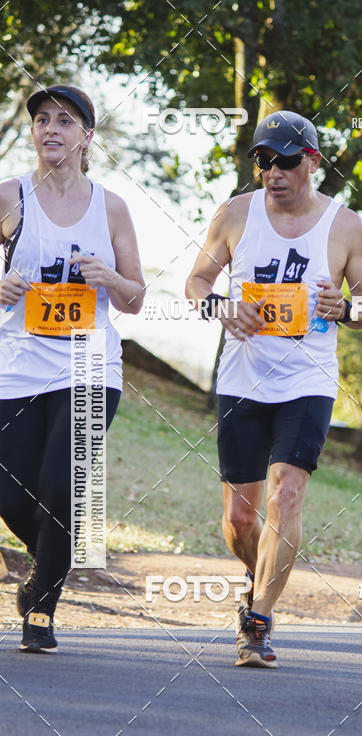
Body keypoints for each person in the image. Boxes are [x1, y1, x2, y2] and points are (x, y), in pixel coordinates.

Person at [185, 110, 362, 668]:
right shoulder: (234, 215)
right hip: (243, 378)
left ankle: (259, 621)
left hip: (307, 379)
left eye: (286, 161)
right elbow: (196, 281)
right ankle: (256, 573)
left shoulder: (345, 227)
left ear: (312, 162)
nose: (273, 172)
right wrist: (221, 308)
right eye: (264, 161)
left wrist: (346, 309)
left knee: (286, 493)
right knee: (241, 520)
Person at [0, 84, 145, 652]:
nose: (51, 129)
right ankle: (52, 557)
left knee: (62, 487)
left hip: (90, 365)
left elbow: (134, 296)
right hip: (17, 365)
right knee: (10, 494)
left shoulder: (111, 207)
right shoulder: (10, 196)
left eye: (65, 121)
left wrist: (108, 278)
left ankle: (42, 606)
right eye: (41, 120)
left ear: (88, 136)